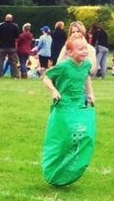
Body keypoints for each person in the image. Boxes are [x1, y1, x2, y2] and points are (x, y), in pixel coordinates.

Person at [41, 27, 97, 186]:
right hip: (64, 107)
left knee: (85, 135)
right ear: (70, 52)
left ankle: (71, 168)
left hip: (79, 105)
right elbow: (46, 78)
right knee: (64, 139)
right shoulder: (64, 66)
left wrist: (90, 94)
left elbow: (86, 78)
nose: (85, 51)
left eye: (85, 48)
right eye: (80, 49)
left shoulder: (86, 65)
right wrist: (54, 91)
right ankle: (53, 168)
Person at [0, 13, 20, 79]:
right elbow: (17, 36)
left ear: (5, 18)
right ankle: (15, 76)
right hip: (12, 47)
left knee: (0, 61)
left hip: (2, 46)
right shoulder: (15, 26)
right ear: (12, 19)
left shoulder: (1, 25)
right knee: (13, 62)